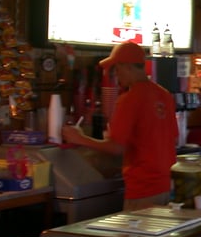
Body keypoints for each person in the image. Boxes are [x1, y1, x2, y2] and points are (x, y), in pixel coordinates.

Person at [62, 41, 178, 212]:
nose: (115, 74)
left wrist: (79, 138)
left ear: (128, 67)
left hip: (143, 189)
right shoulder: (164, 94)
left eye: (116, 69)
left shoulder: (129, 99)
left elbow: (117, 148)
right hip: (167, 186)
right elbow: (173, 137)